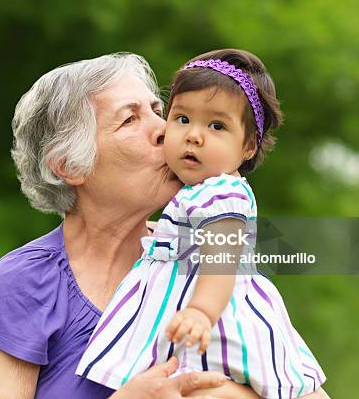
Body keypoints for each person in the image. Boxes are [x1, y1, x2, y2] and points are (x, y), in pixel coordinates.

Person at [0, 53, 261, 398]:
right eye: (130, 120)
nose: (167, 130)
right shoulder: (24, 283)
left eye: (158, 112)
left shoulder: (202, 249)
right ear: (68, 165)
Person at [76, 49, 329, 399]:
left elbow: (221, 260)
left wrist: (200, 311)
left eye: (216, 126)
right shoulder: (195, 193)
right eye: (181, 119)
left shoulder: (223, 192)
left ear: (248, 146)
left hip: (218, 323)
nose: (194, 135)